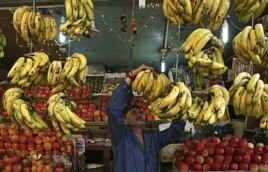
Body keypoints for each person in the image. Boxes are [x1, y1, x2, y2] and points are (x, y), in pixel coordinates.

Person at [107, 64, 186, 172]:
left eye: (140, 112)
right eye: (133, 113)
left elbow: (174, 133)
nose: (139, 114)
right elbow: (113, 108)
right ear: (124, 120)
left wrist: (180, 106)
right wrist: (130, 77)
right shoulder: (121, 136)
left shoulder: (153, 137)